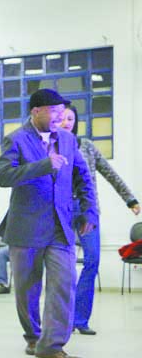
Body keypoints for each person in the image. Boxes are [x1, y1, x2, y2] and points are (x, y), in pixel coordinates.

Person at [0, 89, 97, 358]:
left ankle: (52, 346)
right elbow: (3, 177)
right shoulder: (16, 139)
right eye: (53, 111)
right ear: (36, 111)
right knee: (27, 289)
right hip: (26, 226)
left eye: (62, 112)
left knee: (65, 283)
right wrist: (43, 165)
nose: (59, 117)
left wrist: (89, 210)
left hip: (60, 226)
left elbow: (83, 177)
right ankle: (33, 336)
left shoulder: (68, 139)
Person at [60, 105, 139, 335]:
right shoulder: (51, 148)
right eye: (62, 118)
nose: (66, 122)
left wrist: (130, 199)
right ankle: (63, 318)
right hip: (63, 211)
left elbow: (110, 174)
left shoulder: (86, 146)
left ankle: (80, 319)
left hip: (87, 211)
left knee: (92, 259)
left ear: (76, 122)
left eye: (70, 118)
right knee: (63, 266)